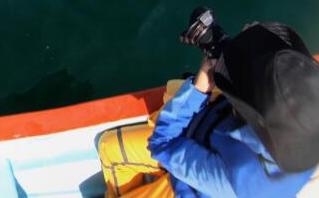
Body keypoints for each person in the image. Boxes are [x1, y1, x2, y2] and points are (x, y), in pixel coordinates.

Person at [97, 21, 319, 197]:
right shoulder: (298, 121)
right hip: (212, 134)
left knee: (109, 147)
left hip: (186, 176)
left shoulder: (240, 181)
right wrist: (231, 44)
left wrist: (201, 85)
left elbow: (161, 144)